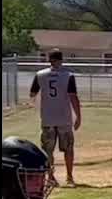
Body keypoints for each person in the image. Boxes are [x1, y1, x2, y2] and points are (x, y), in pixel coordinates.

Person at [29, 49, 82, 186]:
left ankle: (51, 177)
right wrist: (78, 116)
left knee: (48, 150)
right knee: (68, 149)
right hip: (64, 118)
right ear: (61, 60)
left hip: (47, 118)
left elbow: (32, 94)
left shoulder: (40, 74)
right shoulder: (68, 75)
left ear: (49, 60)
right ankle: (69, 178)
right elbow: (73, 97)